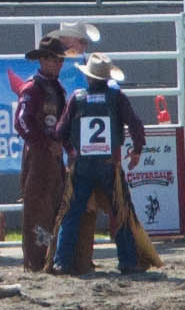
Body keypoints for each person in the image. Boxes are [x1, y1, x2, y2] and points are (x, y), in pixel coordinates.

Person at [53, 53, 147, 275]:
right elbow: (135, 124)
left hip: (82, 164)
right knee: (120, 210)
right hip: (109, 165)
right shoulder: (117, 98)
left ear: (88, 78)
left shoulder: (77, 98)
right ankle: (128, 260)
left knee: (72, 212)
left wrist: (72, 150)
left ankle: (62, 261)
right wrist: (136, 151)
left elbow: (59, 132)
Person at [13, 36, 69, 271]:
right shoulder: (32, 88)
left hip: (53, 157)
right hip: (39, 157)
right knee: (38, 210)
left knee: (56, 206)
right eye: (53, 60)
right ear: (43, 60)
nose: (57, 64)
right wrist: (46, 144)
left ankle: (50, 257)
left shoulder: (56, 88)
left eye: (60, 60)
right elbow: (21, 122)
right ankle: (37, 261)